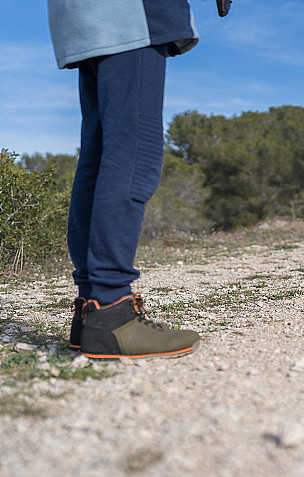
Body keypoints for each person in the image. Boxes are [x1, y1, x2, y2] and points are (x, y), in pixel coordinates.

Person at [47, 0, 201, 360]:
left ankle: (91, 309)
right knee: (135, 152)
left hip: (83, 16)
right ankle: (112, 307)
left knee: (99, 153)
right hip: (131, 14)